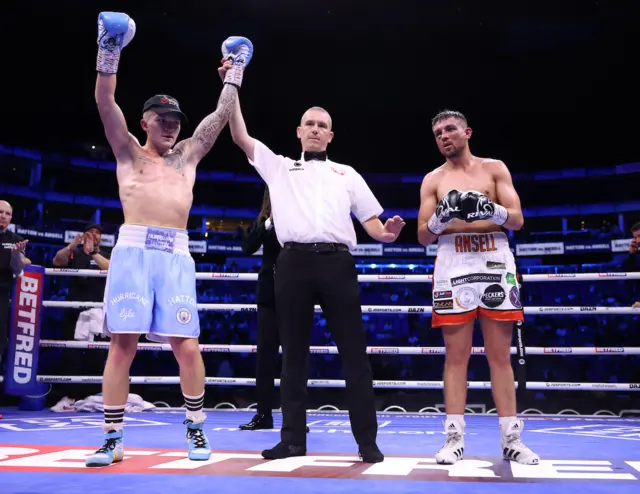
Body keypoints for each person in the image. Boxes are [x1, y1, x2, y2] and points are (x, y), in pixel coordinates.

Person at [85, 12, 253, 467]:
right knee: (123, 344)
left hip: (175, 254)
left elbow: (218, 119)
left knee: (188, 345)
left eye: (175, 119)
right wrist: (110, 49)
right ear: (144, 120)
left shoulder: (187, 156)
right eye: (162, 118)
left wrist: (234, 72)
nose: (172, 125)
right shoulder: (127, 152)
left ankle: (197, 431)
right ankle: (112, 437)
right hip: (133, 250)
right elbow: (104, 101)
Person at [219, 61, 405, 463]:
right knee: (294, 357)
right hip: (293, 264)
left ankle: (367, 441)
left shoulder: (347, 173)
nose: (316, 128)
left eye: (323, 124)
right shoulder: (280, 167)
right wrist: (231, 86)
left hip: (338, 264)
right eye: (310, 123)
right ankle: (292, 440)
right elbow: (239, 135)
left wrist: (386, 233)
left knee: (354, 353)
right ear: (299, 132)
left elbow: (372, 223)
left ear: (331, 134)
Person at [417, 110, 539, 465]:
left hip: (494, 262)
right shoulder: (432, 180)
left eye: (450, 129)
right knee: (456, 357)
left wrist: (491, 210)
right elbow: (424, 234)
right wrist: (442, 217)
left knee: (500, 357)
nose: (443, 136)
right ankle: (453, 440)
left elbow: (516, 220)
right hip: (453, 265)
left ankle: (511, 440)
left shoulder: (494, 168)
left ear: (467, 132)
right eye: (438, 132)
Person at [237, 187, 281, 430]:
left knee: (295, 359)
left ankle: (296, 418)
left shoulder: (302, 215)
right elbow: (247, 247)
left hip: (296, 291)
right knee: (265, 357)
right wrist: (268, 224)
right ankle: (263, 414)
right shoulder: (264, 221)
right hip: (268, 294)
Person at [52, 223, 111, 341]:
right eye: (90, 231)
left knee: (95, 355)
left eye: (97, 232)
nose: (94, 234)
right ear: (84, 235)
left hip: (98, 310)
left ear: (101, 237)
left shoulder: (106, 256)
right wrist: (71, 246)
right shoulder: (75, 254)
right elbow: (57, 261)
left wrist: (93, 253)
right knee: (71, 353)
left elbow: (111, 268)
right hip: (74, 309)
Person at [0, 200, 30, 366]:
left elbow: (18, 271)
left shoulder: (16, 240)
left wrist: (17, 256)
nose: (3, 216)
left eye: (7, 213)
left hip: (1, 295)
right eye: (0, 212)